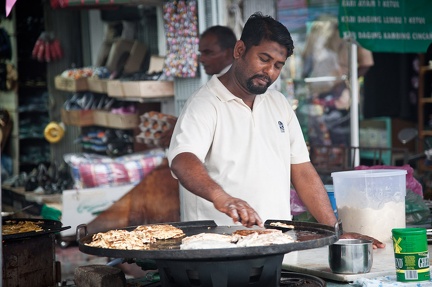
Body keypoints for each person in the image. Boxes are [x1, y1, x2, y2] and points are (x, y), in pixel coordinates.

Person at [168, 12, 384, 249]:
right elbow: (182, 160)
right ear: (239, 50)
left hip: (277, 247)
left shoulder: (279, 104)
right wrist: (223, 198)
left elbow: (302, 171)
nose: (269, 71)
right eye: (264, 59)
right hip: (218, 250)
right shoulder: (204, 103)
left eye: (278, 65)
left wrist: (335, 232)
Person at [159, 25, 237, 148]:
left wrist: (183, 128)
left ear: (228, 53)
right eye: (201, 53)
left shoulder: (230, 86)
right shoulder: (219, 85)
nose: (202, 59)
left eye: (208, 53)